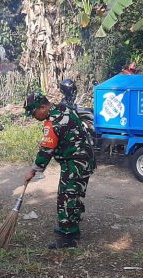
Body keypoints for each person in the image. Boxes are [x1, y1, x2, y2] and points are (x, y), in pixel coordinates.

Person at [23, 93, 96, 249]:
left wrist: (33, 170)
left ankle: (67, 238)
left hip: (75, 162)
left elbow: (46, 150)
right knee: (75, 196)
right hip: (85, 159)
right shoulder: (63, 108)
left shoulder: (53, 122)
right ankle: (73, 229)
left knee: (66, 198)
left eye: (34, 113)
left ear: (43, 107)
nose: (34, 117)